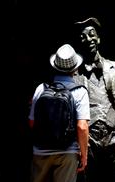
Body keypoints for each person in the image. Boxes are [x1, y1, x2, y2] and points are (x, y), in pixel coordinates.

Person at [72, 17, 115, 182]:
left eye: (92, 34)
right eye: (83, 37)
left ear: (98, 37)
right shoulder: (74, 75)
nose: (89, 39)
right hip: (88, 140)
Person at [28, 44, 90, 182]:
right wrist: (84, 156)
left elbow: (32, 122)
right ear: (75, 68)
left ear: (54, 66)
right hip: (67, 154)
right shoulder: (80, 92)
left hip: (40, 152)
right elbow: (82, 127)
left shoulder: (41, 88)